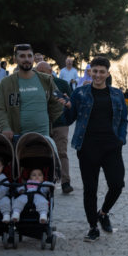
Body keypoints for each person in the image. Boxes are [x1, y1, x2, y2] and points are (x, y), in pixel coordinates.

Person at [63, 56, 128, 242]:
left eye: (101, 71)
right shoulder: (80, 93)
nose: (97, 75)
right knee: (90, 189)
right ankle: (93, 227)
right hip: (87, 147)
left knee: (117, 184)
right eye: (94, 71)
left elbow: (123, 119)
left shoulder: (116, 94)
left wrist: (121, 138)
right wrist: (67, 107)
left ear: (108, 73)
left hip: (111, 147)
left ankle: (103, 212)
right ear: (89, 72)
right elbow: (68, 119)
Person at [0, 44, 63, 140]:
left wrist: (50, 119)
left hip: (44, 137)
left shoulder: (46, 80)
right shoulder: (6, 83)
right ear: (15, 59)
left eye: (29, 56)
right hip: (17, 138)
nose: (27, 59)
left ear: (33, 58)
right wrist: (5, 127)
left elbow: (57, 102)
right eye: (22, 56)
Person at [37, 61, 74, 194]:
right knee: (43, 153)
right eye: (38, 71)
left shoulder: (62, 84)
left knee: (62, 152)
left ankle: (65, 182)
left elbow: (71, 102)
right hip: (41, 124)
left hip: (60, 123)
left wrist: (67, 118)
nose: (40, 74)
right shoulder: (34, 84)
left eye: (43, 71)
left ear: (50, 71)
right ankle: (43, 181)